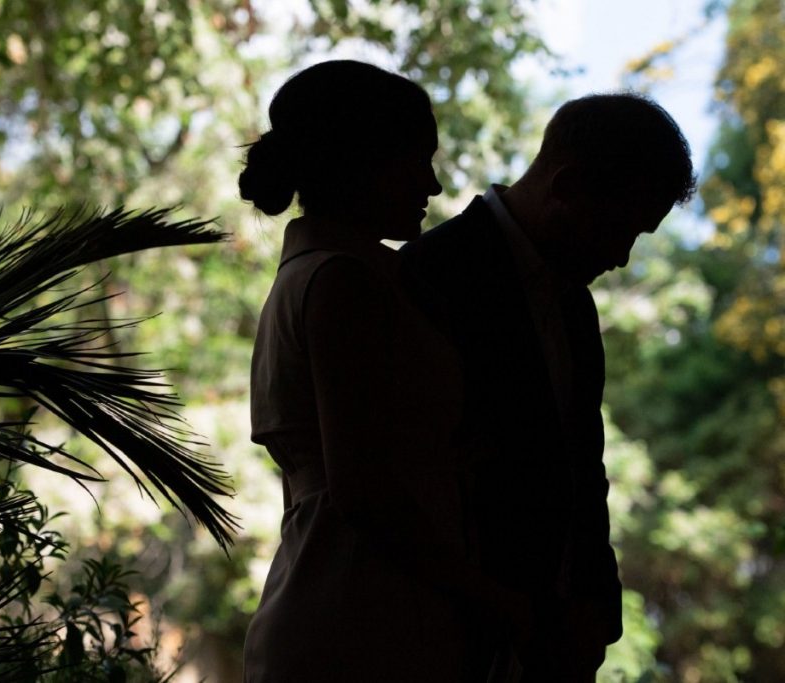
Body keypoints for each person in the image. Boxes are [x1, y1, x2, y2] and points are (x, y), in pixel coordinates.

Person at [240, 60, 523, 682]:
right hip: (359, 619)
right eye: (417, 160)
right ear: (359, 162)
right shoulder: (344, 284)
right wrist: (503, 605)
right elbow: (367, 490)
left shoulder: (325, 278)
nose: (434, 185)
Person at [400, 93, 697, 681]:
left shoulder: (575, 307)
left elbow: (583, 467)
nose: (621, 257)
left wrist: (595, 612)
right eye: (619, 228)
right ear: (566, 186)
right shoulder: (427, 277)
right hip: (447, 640)